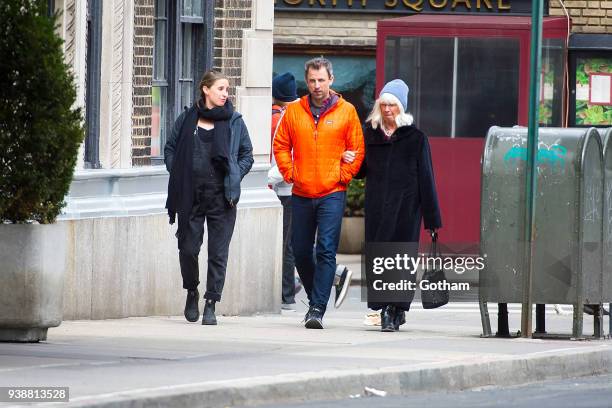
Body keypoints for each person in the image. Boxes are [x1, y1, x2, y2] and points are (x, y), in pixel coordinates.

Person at [274, 57, 364, 329]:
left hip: (332, 192)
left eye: (321, 80)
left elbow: (357, 149)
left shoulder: (346, 111)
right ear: (307, 81)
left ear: (331, 80)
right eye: (312, 80)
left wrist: (343, 176)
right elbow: (280, 145)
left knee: (326, 249)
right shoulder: (294, 111)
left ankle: (317, 308)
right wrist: (291, 174)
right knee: (300, 251)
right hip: (301, 191)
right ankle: (317, 297)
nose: (316, 85)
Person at [351, 79, 442, 332]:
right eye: (384, 104)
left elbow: (427, 177)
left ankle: (395, 309)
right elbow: (361, 172)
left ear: (401, 107)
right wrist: (349, 159)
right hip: (378, 206)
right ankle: (387, 308)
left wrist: (433, 219)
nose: (388, 109)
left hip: (406, 208)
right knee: (380, 258)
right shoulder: (369, 134)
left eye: (392, 104)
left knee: (400, 258)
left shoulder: (416, 138)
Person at [165, 70, 254, 326]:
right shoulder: (187, 119)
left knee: (218, 253)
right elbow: (170, 149)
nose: (225, 94)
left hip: (222, 196)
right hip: (190, 195)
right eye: (221, 89)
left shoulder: (235, 121)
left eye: (227, 90)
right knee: (188, 249)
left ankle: (211, 302)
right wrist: (178, 172)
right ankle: (192, 290)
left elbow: (247, 154)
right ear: (206, 90)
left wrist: (235, 174)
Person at [268, 72, 300, 310]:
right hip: (294, 188)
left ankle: (286, 294)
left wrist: (267, 181)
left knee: (284, 243)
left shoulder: (283, 119)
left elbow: (285, 158)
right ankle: (287, 291)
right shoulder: (299, 116)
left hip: (284, 189)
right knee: (288, 242)